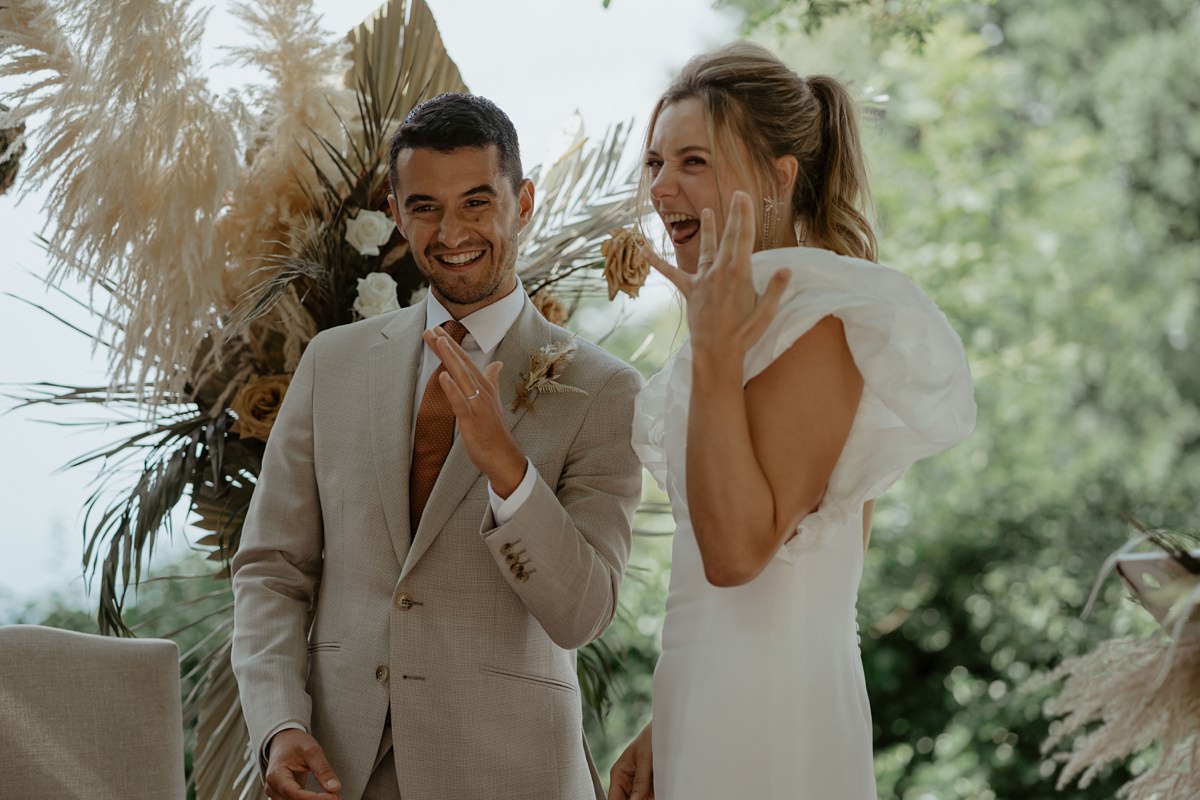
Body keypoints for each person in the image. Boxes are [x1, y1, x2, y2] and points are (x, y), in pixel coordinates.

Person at [231, 92, 644, 800]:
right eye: (424, 206)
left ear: (526, 200)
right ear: (395, 213)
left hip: (511, 773)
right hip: (339, 770)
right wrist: (277, 722)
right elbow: (272, 569)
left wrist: (507, 470)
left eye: (477, 202)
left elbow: (581, 613)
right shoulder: (333, 363)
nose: (451, 231)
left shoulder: (603, 390)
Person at [608, 43, 976, 799]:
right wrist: (667, 715)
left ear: (780, 177)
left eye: (695, 162)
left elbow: (738, 553)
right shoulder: (736, 314)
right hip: (712, 700)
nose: (662, 188)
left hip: (773, 721)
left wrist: (713, 356)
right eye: (655, 164)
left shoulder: (816, 319)